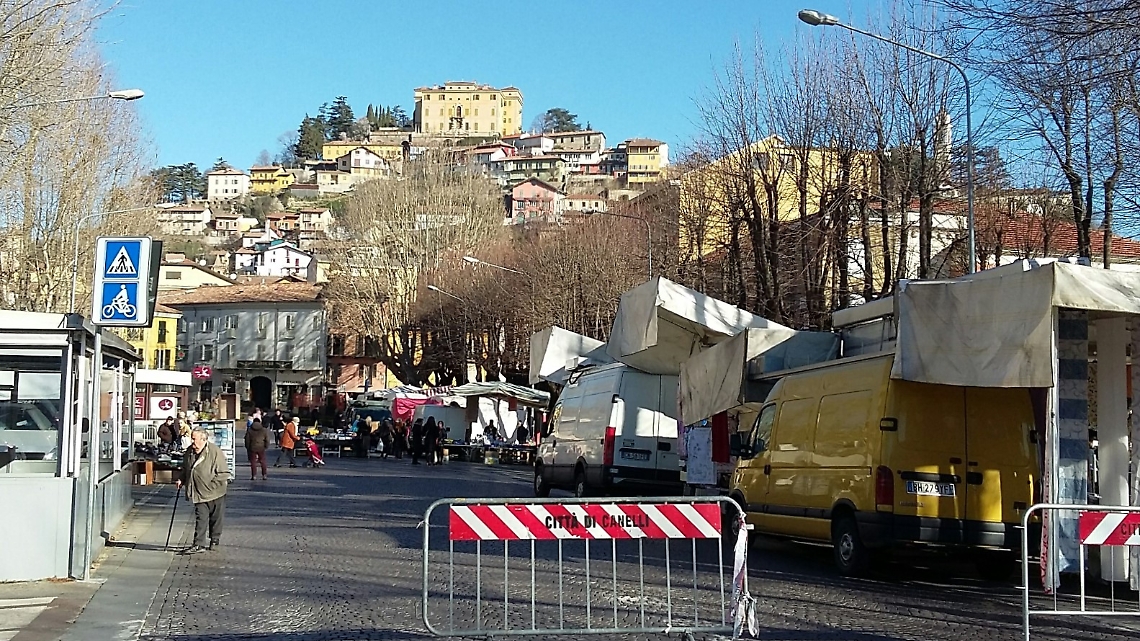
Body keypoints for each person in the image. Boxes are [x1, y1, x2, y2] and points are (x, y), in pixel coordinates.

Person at [176, 427, 230, 554]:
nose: (192, 442)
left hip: (216, 492)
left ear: (204, 439)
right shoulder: (190, 451)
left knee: (216, 518)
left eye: (194, 439)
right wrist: (181, 479)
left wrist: (212, 485)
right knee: (201, 518)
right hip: (198, 492)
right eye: (192, 439)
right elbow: (185, 468)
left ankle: (214, 540)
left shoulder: (215, 452)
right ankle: (198, 544)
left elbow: (224, 473)